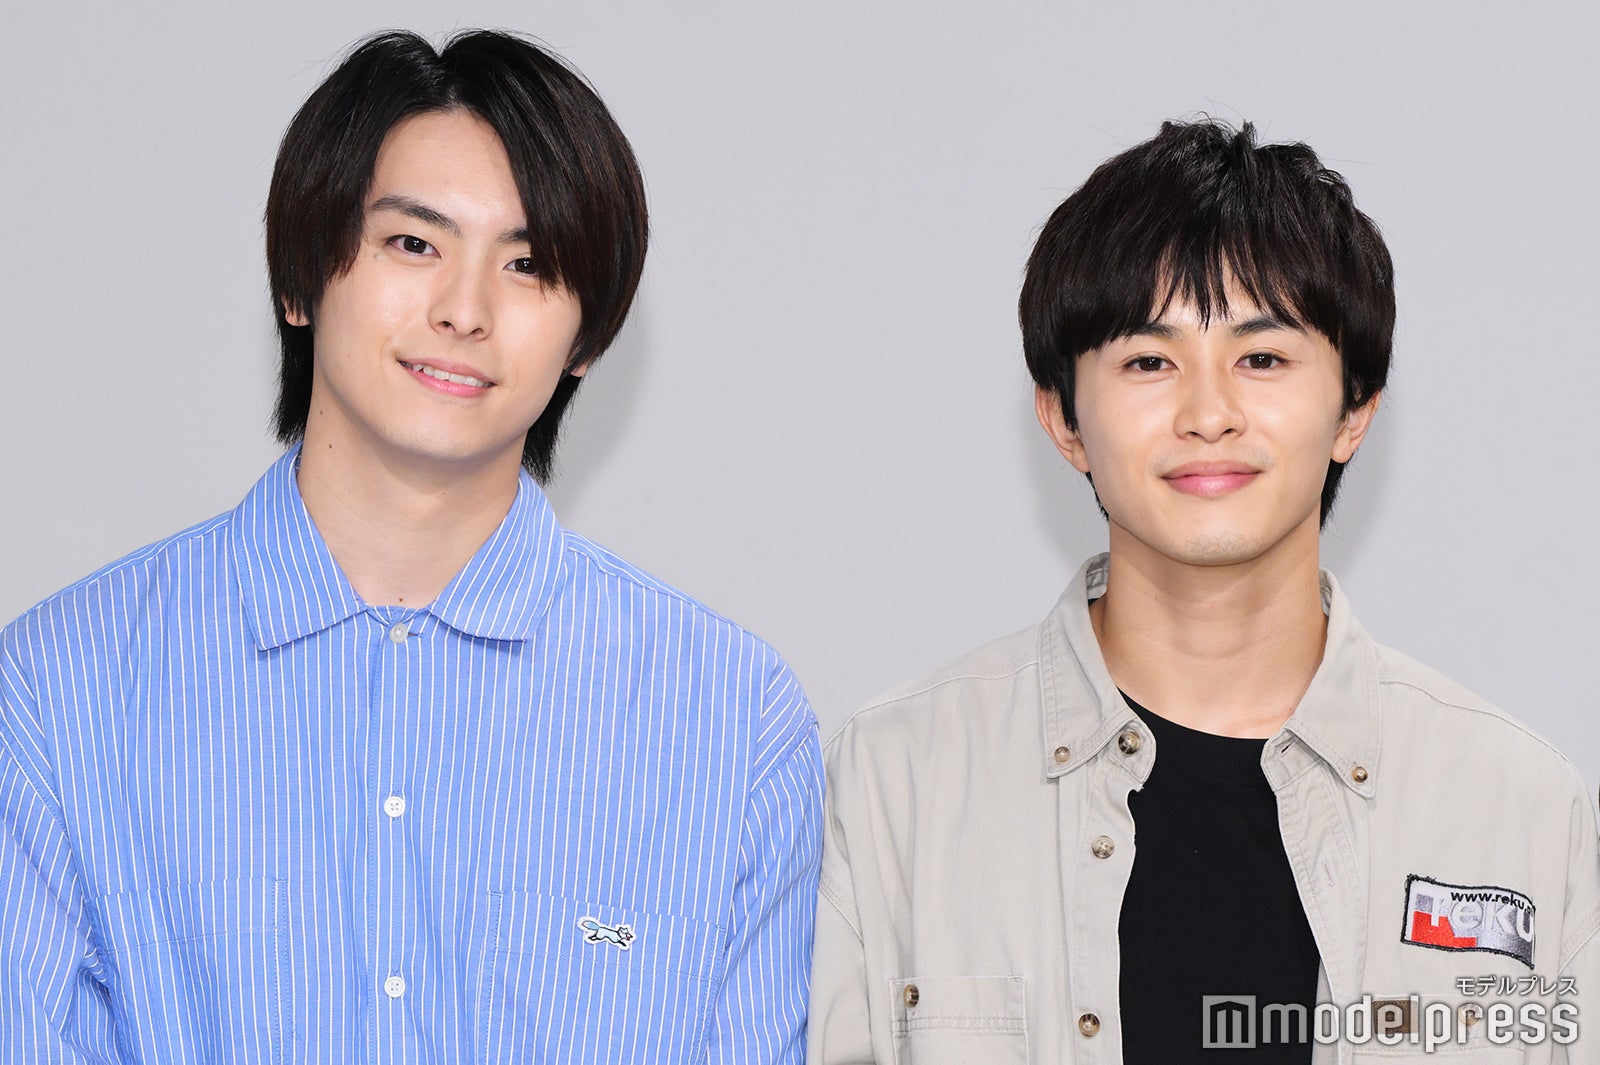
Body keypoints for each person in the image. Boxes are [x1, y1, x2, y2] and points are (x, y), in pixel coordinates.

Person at [0, 30, 821, 1062]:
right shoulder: (59, 691)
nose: (464, 311)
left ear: (585, 339)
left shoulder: (732, 721)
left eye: (528, 264)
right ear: (301, 280)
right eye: (413, 244)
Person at [806, 119, 1600, 1063]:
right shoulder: (894, 782)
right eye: (1150, 361)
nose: (1209, 413)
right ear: (1063, 419)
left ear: (1353, 410)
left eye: (1262, 359)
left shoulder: (1517, 805)